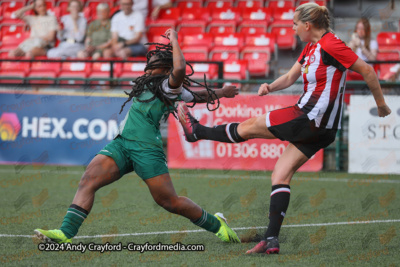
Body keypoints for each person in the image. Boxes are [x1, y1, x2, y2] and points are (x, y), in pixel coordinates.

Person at [178, 3, 392, 255]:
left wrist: (381, 105)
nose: (292, 28)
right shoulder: (311, 47)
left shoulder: (331, 44)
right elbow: (290, 77)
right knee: (280, 175)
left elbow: (367, 70)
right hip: (322, 128)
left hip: (309, 117)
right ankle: (271, 240)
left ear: (308, 25)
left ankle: (197, 132)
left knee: (249, 126)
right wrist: (270, 86)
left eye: (295, 24)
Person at [34, 29, 241, 244]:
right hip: (123, 143)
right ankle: (65, 233)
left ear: (164, 68)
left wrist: (175, 41)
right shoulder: (151, 83)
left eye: (154, 61)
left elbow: (180, 68)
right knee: (88, 180)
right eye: (150, 60)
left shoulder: (169, 86)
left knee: (170, 202)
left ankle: (217, 225)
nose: (149, 63)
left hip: (146, 149)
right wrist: (222, 92)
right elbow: (199, 95)